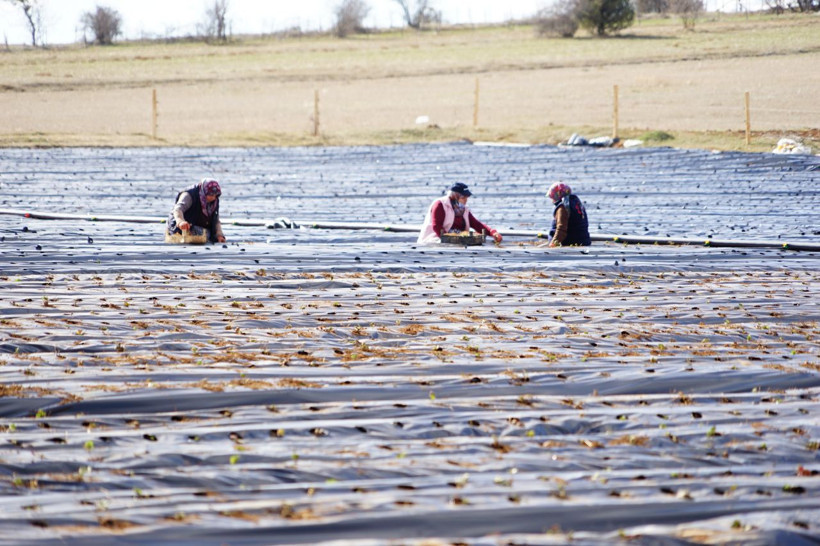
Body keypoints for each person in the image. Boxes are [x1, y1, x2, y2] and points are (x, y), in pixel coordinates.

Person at [417, 182, 502, 245]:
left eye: (467, 197)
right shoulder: (440, 205)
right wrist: (452, 238)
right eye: (463, 197)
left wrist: (492, 232)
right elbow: (437, 226)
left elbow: (476, 224)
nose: (466, 200)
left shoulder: (463, 209)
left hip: (457, 241)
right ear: (454, 196)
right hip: (435, 240)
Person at [166, 178, 226, 243]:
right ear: (204, 191)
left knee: (209, 235)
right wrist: (180, 221)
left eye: (216, 195)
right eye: (211, 195)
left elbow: (216, 220)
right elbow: (178, 209)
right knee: (200, 233)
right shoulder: (189, 195)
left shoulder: (214, 201)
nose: (213, 198)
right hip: (181, 226)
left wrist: (219, 235)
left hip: (199, 226)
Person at [546, 182, 590, 247]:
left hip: (570, 241)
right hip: (584, 240)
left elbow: (561, 229)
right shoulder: (577, 204)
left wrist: (553, 243)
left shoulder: (563, 208)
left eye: (553, 198)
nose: (552, 201)